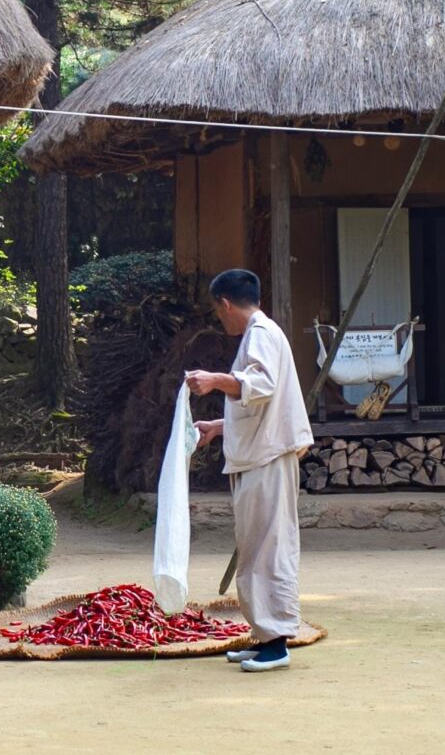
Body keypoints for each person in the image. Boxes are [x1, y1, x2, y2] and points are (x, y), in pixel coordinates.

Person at [186, 267, 313, 673]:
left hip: (269, 458)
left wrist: (213, 380)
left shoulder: (261, 333)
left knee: (268, 549)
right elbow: (258, 406)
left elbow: (260, 386)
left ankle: (276, 643)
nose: (219, 318)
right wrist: (218, 427)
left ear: (224, 303)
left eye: (217, 310)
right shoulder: (260, 335)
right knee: (255, 546)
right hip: (260, 454)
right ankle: (263, 636)